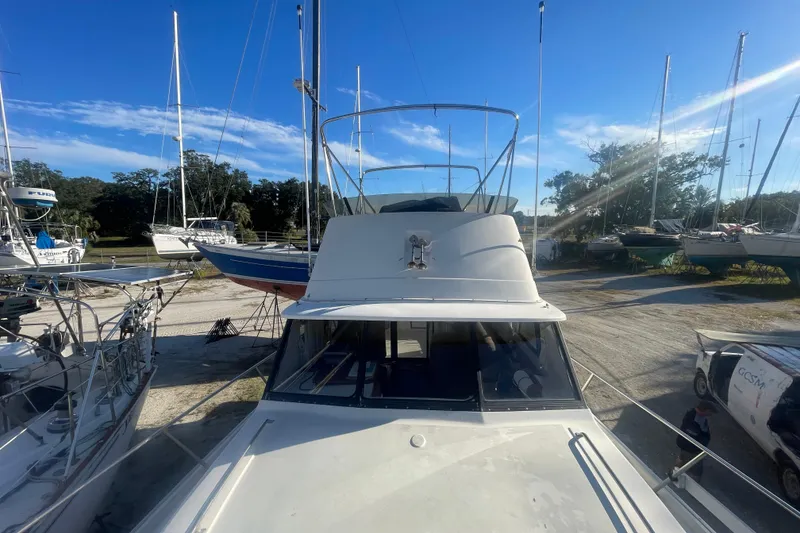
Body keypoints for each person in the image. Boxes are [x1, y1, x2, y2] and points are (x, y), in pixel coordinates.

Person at [674, 400, 716, 479]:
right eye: (710, 412)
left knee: (681, 457)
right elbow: (693, 437)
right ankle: (692, 482)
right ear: (706, 410)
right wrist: (700, 448)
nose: (711, 414)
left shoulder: (692, 413)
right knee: (697, 470)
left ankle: (674, 474)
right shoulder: (695, 421)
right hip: (692, 449)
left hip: (684, 444)